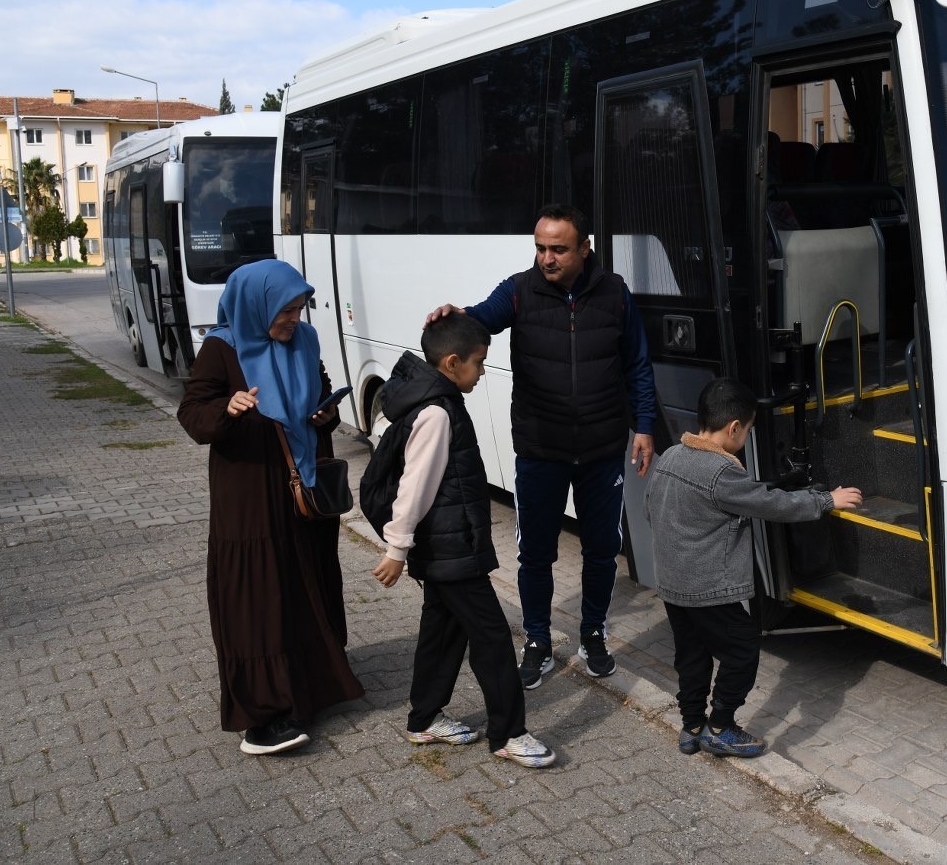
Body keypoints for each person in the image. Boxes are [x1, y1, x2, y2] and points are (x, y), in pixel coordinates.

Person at [428, 204, 656, 689]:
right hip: (540, 449)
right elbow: (480, 320)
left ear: (584, 249)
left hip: (601, 448)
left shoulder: (614, 293)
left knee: (601, 550)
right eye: (540, 248)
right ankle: (536, 638)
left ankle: (593, 632)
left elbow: (637, 364)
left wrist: (645, 427)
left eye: (558, 249)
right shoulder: (517, 290)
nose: (547, 258)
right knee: (535, 554)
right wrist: (457, 315)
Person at [177, 259, 364, 756]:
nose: (293, 320)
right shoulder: (222, 348)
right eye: (285, 311)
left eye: (300, 309)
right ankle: (261, 715)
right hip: (251, 494)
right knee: (259, 594)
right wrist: (228, 408)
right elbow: (193, 415)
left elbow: (321, 396)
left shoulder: (305, 341)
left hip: (304, 486)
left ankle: (311, 686)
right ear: (256, 305)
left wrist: (326, 412)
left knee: (305, 580)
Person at [368, 314, 556, 768]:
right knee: (492, 638)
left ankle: (424, 719)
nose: (483, 370)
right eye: (479, 362)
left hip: (448, 546)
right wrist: (397, 549)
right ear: (452, 363)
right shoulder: (436, 412)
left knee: (442, 631)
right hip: (450, 549)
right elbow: (417, 486)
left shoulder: (437, 400)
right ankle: (509, 734)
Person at [644, 378, 863, 757]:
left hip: (673, 584)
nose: (745, 437)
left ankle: (691, 725)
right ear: (733, 428)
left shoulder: (671, 457)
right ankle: (721, 726)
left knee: (691, 654)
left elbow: (651, 510)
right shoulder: (720, 472)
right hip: (710, 587)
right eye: (747, 430)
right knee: (742, 651)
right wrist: (825, 500)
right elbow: (770, 503)